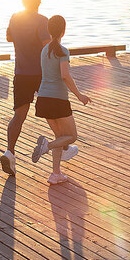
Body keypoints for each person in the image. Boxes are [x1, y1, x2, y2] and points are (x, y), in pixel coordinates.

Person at [32, 14, 91, 184]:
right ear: (63, 30)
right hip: (57, 100)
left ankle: (55, 174)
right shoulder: (63, 51)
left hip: (43, 99)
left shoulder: (44, 50)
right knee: (71, 136)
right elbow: (65, 76)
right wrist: (80, 96)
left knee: (59, 136)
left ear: (49, 30)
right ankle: (46, 146)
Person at [1, 0, 50, 176]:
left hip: (20, 74)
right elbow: (47, 48)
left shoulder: (15, 18)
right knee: (54, 110)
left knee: (19, 116)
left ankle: (10, 152)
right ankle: (62, 148)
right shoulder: (42, 20)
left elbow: (8, 37)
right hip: (40, 74)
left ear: (23, 0)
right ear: (39, 0)